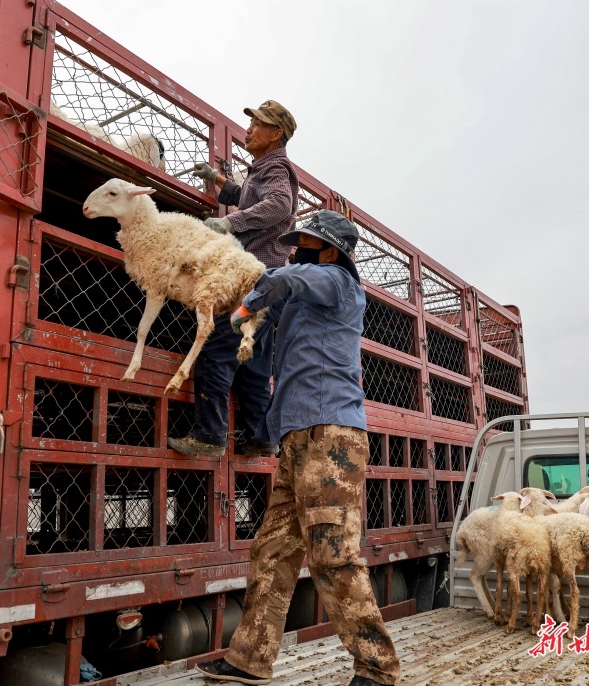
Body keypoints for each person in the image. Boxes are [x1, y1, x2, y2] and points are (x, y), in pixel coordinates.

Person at [195, 211, 402, 686]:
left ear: (330, 250)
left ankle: (378, 669)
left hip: (331, 437)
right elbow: (274, 312)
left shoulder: (338, 283)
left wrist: (248, 302)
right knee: (272, 551)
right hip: (297, 439)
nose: (297, 249)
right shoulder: (303, 303)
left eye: (306, 242)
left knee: (333, 552)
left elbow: (284, 277)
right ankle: (250, 659)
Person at [167, 100, 299, 458]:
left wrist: (230, 223)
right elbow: (248, 197)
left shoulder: (276, 168)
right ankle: (262, 436)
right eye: (251, 122)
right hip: (267, 280)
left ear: (276, 134)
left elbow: (278, 206)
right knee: (254, 359)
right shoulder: (263, 169)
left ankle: (209, 437)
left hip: (249, 277)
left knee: (217, 346)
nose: (250, 129)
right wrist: (218, 180)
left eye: (259, 124)